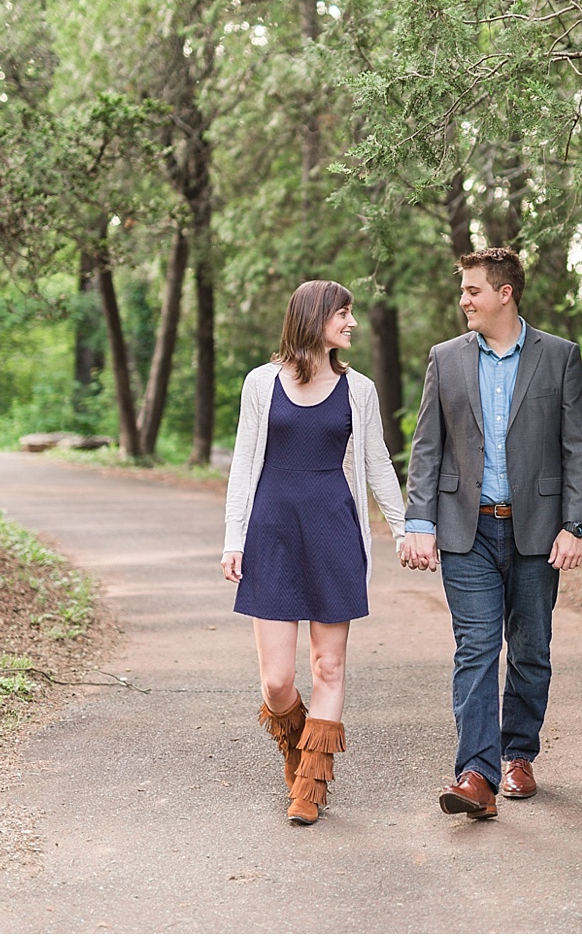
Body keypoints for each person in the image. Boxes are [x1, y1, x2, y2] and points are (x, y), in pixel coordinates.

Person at [400, 246, 582, 818]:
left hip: (537, 532)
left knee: (531, 649)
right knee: (478, 648)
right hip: (468, 531)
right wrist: (420, 522)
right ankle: (476, 774)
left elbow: (578, 447)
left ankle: (519, 755)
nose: (463, 300)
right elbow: (427, 445)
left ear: (503, 293)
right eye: (463, 291)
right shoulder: (446, 358)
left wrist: (574, 526)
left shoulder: (559, 357)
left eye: (472, 291)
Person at [221, 279, 407, 825]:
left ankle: (311, 784)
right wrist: (234, 538)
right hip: (272, 530)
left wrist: (401, 528)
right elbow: (241, 465)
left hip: (332, 529)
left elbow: (377, 464)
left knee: (329, 664)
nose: (352, 324)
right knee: (276, 681)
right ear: (315, 317)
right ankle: (298, 747)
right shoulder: (261, 383)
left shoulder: (360, 390)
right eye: (343, 314)